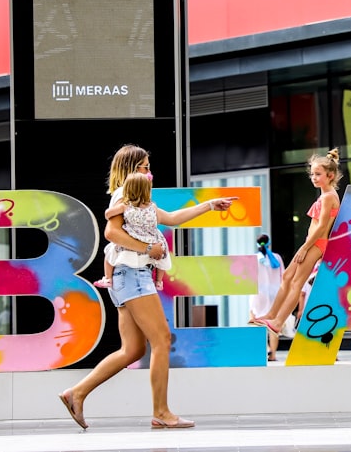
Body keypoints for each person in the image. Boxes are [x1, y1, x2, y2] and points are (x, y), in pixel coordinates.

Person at [58, 144, 235, 430]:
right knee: (162, 340)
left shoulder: (138, 201)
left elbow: (173, 219)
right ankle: (162, 412)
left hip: (126, 277)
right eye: (144, 167)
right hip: (133, 275)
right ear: (130, 170)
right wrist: (148, 247)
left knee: (132, 350)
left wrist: (210, 205)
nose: (149, 173)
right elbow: (111, 232)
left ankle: (76, 393)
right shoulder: (122, 196)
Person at [252, 148, 342, 336]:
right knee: (286, 278)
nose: (314, 178)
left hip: (316, 244)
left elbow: (321, 227)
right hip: (313, 243)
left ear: (330, 175)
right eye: (312, 174)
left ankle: (278, 322)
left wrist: (304, 247)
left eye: (318, 174)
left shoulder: (328, 197)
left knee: (296, 283)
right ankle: (271, 314)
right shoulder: (326, 195)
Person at [99, 172, 171, 290]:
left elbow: (107, 214)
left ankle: (107, 278)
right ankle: (158, 281)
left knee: (110, 251)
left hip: (134, 237)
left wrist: (114, 214)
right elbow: (158, 220)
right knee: (163, 254)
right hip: (151, 238)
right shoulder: (152, 207)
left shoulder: (126, 206)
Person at [250, 234, 284, 361]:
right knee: (273, 324)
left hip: (258, 294)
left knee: (257, 322)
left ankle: (266, 348)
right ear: (269, 243)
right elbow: (283, 276)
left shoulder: (254, 258)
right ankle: (273, 353)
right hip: (275, 293)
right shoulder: (277, 258)